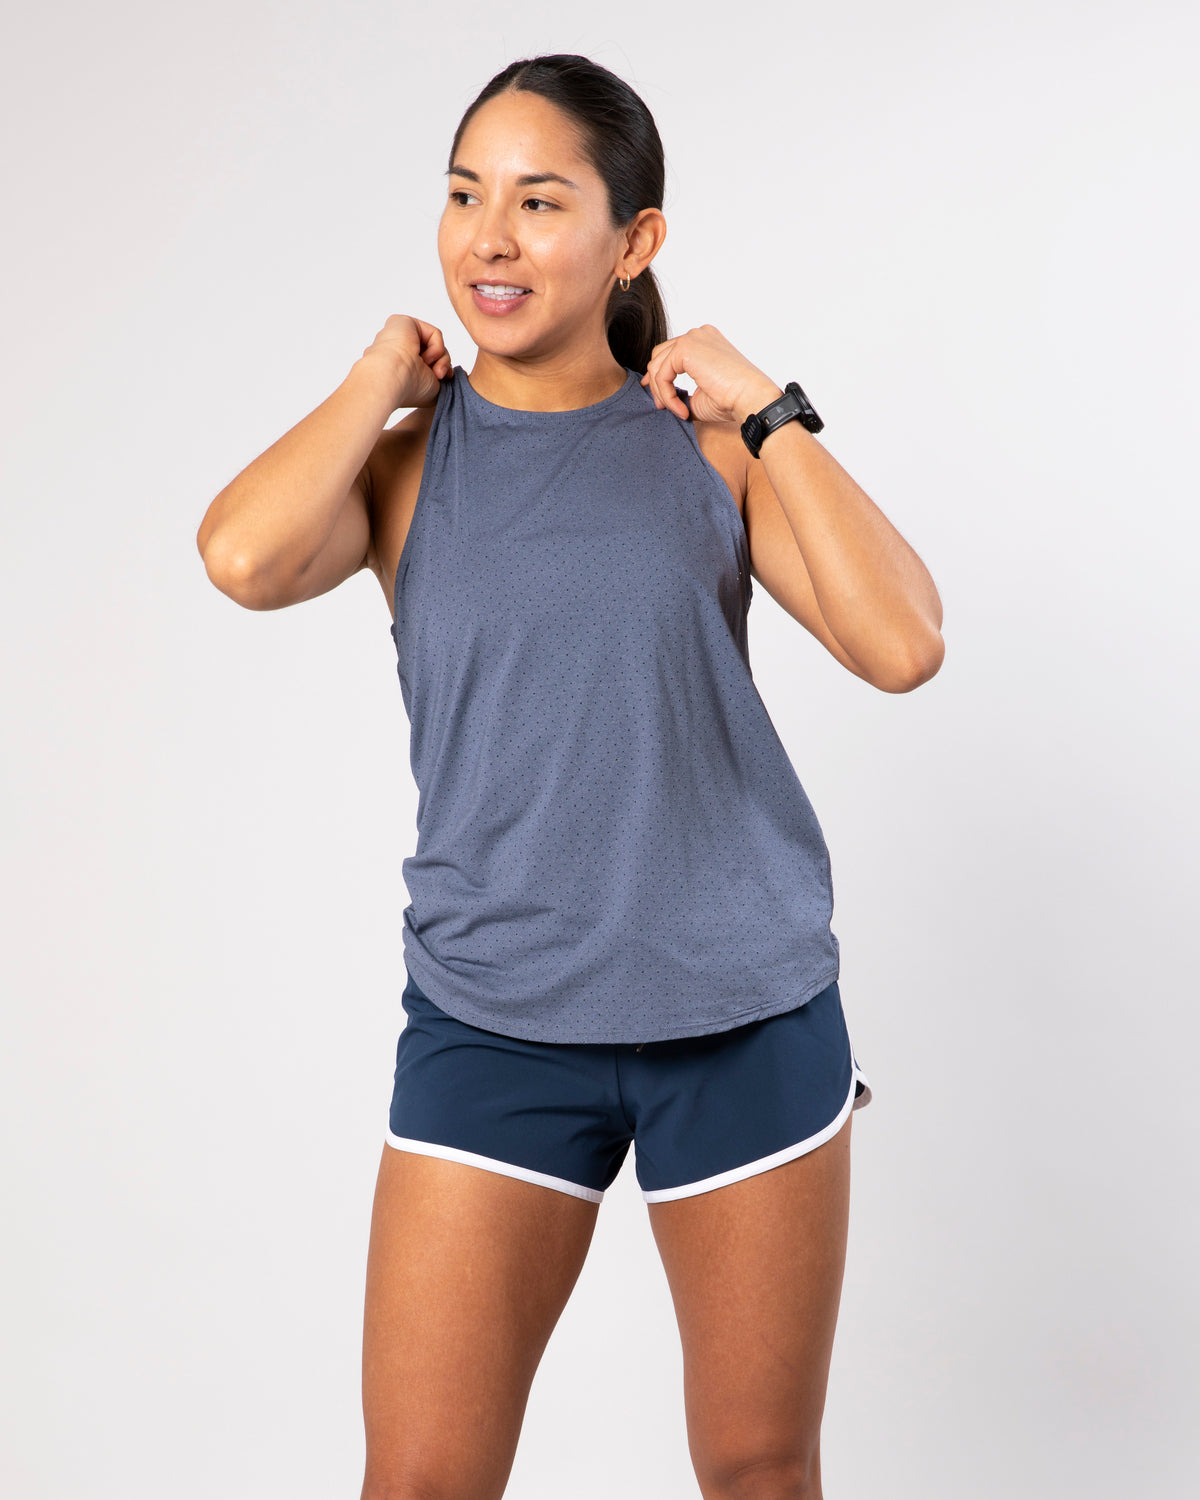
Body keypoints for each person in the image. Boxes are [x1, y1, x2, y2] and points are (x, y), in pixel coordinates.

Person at [196, 51, 943, 1500]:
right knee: (422, 1478)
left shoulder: (711, 453)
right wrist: (375, 379)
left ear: (633, 240)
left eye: (540, 203)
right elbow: (240, 557)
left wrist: (771, 410)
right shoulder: (407, 468)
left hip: (742, 1012)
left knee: (760, 1469)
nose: (490, 237)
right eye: (465, 196)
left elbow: (903, 644)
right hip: (493, 1020)